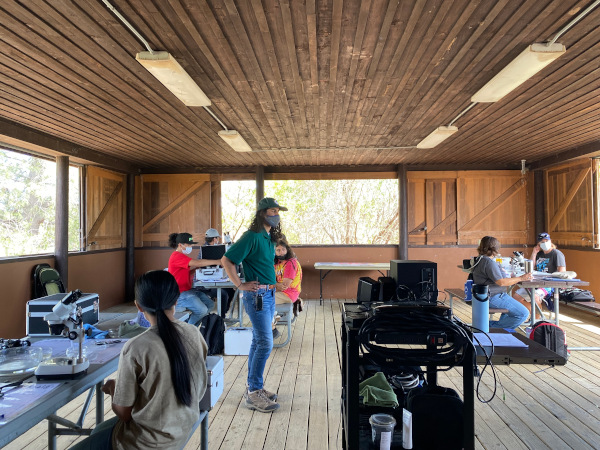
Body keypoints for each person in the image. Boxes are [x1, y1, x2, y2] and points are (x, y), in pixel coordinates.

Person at [70, 270, 208, 450]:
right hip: (180, 429)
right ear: (176, 301)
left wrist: (113, 389)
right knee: (99, 430)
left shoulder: (136, 346)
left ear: (138, 306)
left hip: (144, 443)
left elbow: (124, 414)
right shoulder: (193, 333)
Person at [221, 197, 286, 413]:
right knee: (266, 343)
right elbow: (227, 260)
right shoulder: (251, 236)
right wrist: (239, 284)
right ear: (261, 214)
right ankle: (253, 393)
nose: (275, 215)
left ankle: (253, 388)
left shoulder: (268, 238)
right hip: (256, 296)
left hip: (267, 295)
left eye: (277, 211)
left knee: (258, 341)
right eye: (271, 211)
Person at [471, 236, 532, 330]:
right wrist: (521, 278)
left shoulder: (480, 259)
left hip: (483, 295)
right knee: (523, 313)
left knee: (510, 312)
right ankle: (492, 328)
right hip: (493, 296)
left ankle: (492, 327)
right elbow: (501, 282)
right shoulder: (489, 263)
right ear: (495, 248)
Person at [168, 232, 221, 326]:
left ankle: (191, 325)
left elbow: (186, 272)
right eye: (189, 244)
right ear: (180, 245)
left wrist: (196, 269)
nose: (190, 247)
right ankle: (187, 329)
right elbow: (197, 262)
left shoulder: (182, 256)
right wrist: (218, 261)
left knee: (210, 305)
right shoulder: (176, 256)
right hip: (180, 293)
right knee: (202, 310)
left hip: (188, 290)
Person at [197, 228, 234, 317]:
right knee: (223, 294)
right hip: (206, 285)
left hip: (214, 279)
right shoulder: (205, 250)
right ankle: (221, 318)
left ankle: (224, 312)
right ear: (214, 239)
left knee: (231, 291)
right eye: (217, 238)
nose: (218, 240)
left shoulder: (210, 249)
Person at [273, 239, 303, 337]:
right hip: (279, 291)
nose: (281, 252)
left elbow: (284, 286)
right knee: (261, 297)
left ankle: (272, 329)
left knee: (262, 300)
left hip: (289, 294)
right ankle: (272, 320)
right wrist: (275, 285)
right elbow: (271, 280)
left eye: (283, 249)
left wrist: (274, 285)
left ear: (287, 250)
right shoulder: (276, 262)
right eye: (278, 250)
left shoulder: (291, 262)